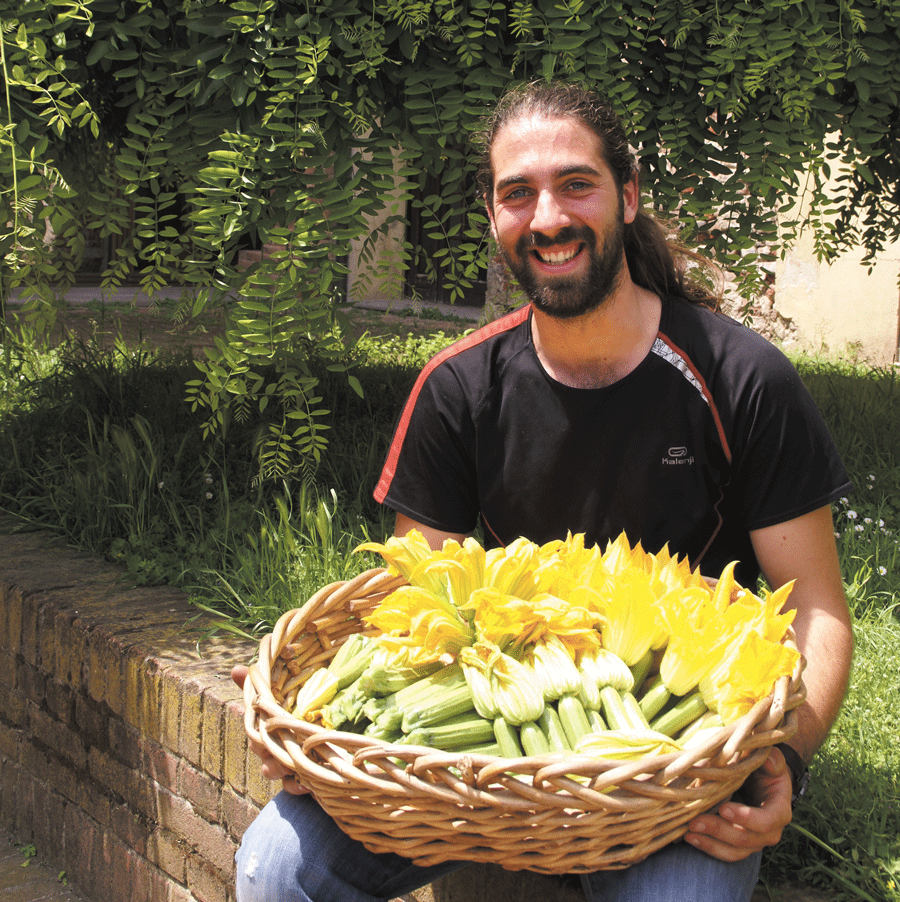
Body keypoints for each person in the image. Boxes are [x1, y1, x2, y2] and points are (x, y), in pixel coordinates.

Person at [232, 81, 853, 902]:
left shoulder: (741, 379)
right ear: (493, 219)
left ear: (628, 198)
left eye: (576, 184)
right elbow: (419, 607)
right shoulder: (456, 389)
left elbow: (816, 607)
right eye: (517, 194)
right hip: (498, 760)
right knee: (275, 869)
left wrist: (787, 758)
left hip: (680, 761)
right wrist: (310, 716)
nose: (548, 218)